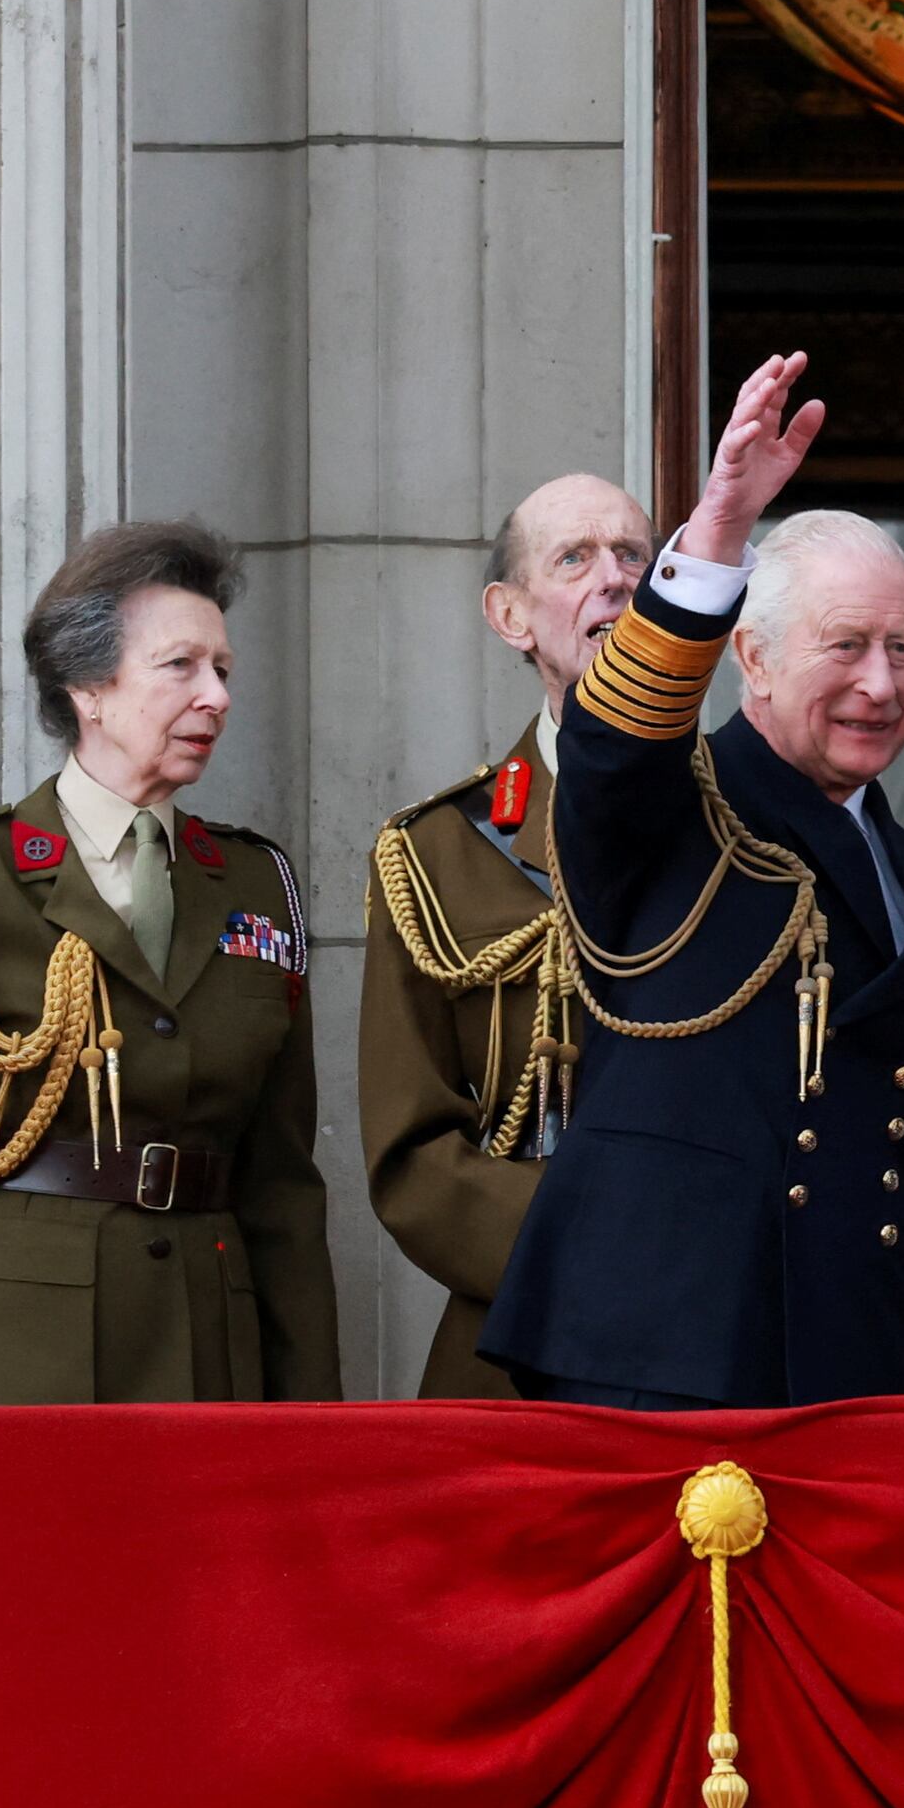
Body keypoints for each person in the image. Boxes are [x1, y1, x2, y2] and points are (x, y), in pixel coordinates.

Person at [480, 356, 904, 1409]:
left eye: (902, 649)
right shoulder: (667, 808)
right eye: (844, 645)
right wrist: (713, 531)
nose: (879, 683)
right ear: (747, 656)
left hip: (853, 1364)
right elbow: (612, 740)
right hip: (659, 1355)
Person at [0, 520, 342, 1403]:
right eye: (180, 666)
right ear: (88, 687)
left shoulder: (259, 883)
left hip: (209, 1349)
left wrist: (313, 1425)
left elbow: (284, 1190)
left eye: (223, 670)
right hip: (19, 1353)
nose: (216, 697)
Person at [357, 474, 659, 1397]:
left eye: (634, 558)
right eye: (575, 559)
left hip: (724, 1347)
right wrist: (592, 1247)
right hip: (518, 1338)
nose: (613, 579)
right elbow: (411, 1155)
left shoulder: (749, 831)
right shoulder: (438, 852)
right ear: (510, 615)